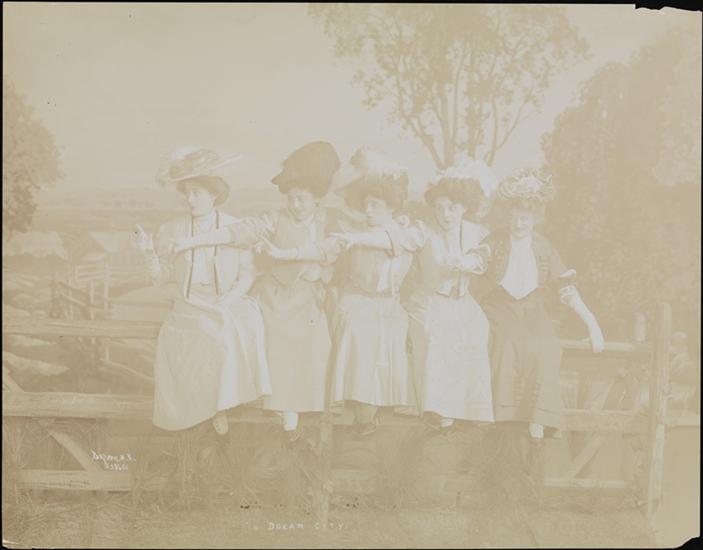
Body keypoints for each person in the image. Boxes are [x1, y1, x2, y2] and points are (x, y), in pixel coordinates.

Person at [170, 142, 342, 441]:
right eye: (291, 198)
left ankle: (305, 409)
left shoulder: (328, 222)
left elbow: (346, 244)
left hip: (310, 297)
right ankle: (280, 410)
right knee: (276, 336)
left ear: (316, 198)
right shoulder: (273, 218)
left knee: (316, 342)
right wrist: (192, 242)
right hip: (276, 296)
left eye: (302, 199)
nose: (296, 205)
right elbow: (238, 232)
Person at [135, 147, 271, 434]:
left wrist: (227, 300)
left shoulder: (235, 227)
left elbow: (247, 272)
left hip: (227, 300)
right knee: (194, 337)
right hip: (190, 304)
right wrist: (148, 253)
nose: (190, 199)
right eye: (186, 193)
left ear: (214, 195)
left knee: (227, 331)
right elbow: (161, 279)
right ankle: (203, 409)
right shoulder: (172, 229)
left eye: (197, 193)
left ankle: (222, 405)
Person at [479, 168, 605, 439]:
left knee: (547, 344)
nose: (518, 225)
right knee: (507, 342)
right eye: (514, 218)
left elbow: (564, 287)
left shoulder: (543, 247)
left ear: (536, 218)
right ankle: (500, 415)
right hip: (498, 306)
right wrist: (471, 260)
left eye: (524, 219)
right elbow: (478, 259)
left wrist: (592, 323)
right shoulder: (495, 241)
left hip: (533, 309)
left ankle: (538, 417)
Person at [401, 158, 497, 430]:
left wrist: (469, 262)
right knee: (433, 337)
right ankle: (435, 409)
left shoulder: (477, 232)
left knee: (475, 333)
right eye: (439, 207)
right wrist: (398, 225)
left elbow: (484, 258)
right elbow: (400, 240)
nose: (445, 214)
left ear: (464, 206)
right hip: (430, 300)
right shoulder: (423, 230)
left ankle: (468, 408)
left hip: (462, 301)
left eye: (452, 208)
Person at [327, 147, 417, 435]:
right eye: (365, 204)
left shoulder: (403, 232)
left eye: (375, 205)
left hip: (390, 302)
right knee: (358, 329)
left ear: (391, 206)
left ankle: (382, 404)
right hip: (357, 298)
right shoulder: (355, 231)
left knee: (395, 330)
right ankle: (363, 410)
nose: (368, 210)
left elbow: (390, 244)